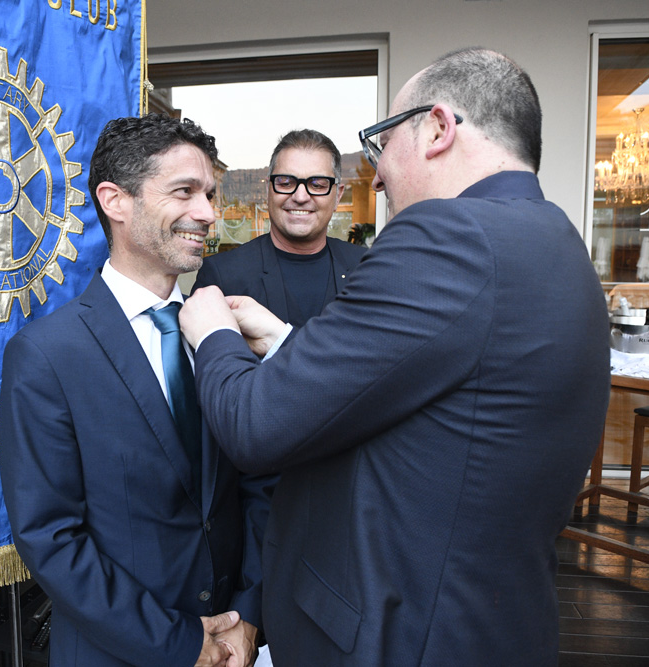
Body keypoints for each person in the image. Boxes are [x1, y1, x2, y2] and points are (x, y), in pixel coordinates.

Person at [179, 48, 610, 666]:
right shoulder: (560, 243)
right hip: (493, 624)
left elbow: (255, 425)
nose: (375, 176)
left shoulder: (447, 237)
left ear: (437, 128)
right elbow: (440, 394)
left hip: (402, 634)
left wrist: (214, 332)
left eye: (383, 141)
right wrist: (284, 339)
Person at [0, 113, 273, 667]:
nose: (209, 213)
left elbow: (259, 485)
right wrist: (180, 642)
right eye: (185, 192)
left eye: (210, 195)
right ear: (115, 200)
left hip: (237, 646)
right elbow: (51, 538)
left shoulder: (220, 331)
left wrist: (248, 616)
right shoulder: (47, 355)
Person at [192, 130, 366, 328]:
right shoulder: (222, 276)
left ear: (338, 196)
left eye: (317, 185)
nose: (300, 197)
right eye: (286, 183)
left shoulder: (368, 270)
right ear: (268, 190)